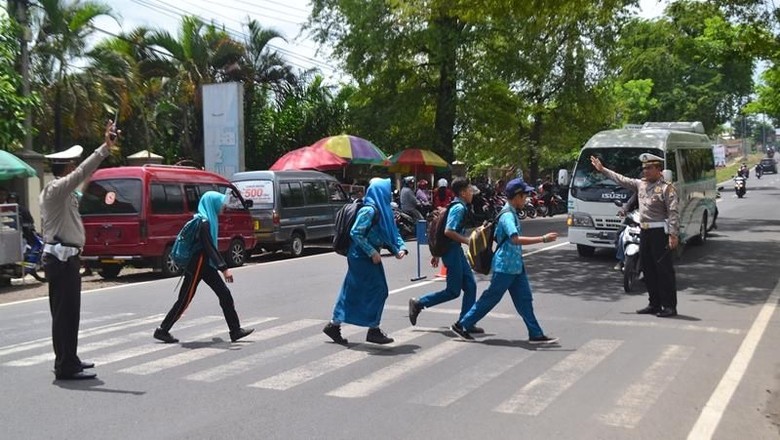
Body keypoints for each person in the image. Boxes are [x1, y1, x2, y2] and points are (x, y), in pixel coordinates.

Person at [40, 121, 116, 380]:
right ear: (68, 167)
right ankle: (65, 366)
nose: (76, 168)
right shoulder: (55, 190)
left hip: (68, 259)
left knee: (70, 314)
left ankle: (69, 359)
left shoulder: (65, 193)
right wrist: (104, 148)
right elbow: (83, 173)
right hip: (60, 261)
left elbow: (84, 182)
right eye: (74, 165)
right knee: (64, 315)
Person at [450, 178, 559, 343]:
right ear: (516, 196)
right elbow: (514, 239)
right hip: (505, 266)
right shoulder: (507, 215)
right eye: (524, 196)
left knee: (525, 299)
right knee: (491, 298)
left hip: (515, 265)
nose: (527, 199)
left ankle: (535, 334)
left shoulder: (512, 212)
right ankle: (462, 324)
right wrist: (543, 239)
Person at [154, 191, 254, 344]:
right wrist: (224, 268)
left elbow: (210, 249)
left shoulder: (206, 220)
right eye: (219, 204)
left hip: (205, 264)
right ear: (211, 204)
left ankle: (235, 330)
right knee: (185, 299)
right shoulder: (204, 222)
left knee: (224, 294)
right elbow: (209, 247)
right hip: (198, 263)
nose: (221, 208)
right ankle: (162, 330)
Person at [591, 153, 679, 317]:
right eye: (644, 168)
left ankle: (669, 306)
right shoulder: (640, 185)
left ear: (659, 169)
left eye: (649, 168)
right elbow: (621, 179)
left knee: (664, 270)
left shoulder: (667, 188)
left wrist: (673, 234)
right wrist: (603, 170)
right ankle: (654, 303)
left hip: (660, 232)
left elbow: (673, 212)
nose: (645, 171)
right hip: (644, 231)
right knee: (648, 269)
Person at [323, 178, 408, 345]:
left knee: (350, 289)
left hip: (366, 255)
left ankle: (334, 325)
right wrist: (371, 252)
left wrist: (400, 247)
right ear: (380, 192)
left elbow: (392, 231)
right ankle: (373, 329)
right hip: (361, 256)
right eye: (387, 190)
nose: (389, 193)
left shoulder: (384, 210)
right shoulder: (369, 210)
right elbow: (356, 233)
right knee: (380, 290)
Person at [408, 177, 481, 332]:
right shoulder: (459, 208)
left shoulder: (457, 205)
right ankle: (419, 303)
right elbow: (448, 231)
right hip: (452, 251)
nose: (471, 193)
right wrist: (468, 241)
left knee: (471, 285)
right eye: (469, 190)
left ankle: (466, 322)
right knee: (453, 291)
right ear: (462, 192)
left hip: (455, 250)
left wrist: (437, 253)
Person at [614, 192, 638, 271]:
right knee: (620, 234)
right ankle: (621, 260)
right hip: (634, 219)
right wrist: (623, 211)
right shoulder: (639, 191)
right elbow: (629, 203)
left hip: (651, 221)